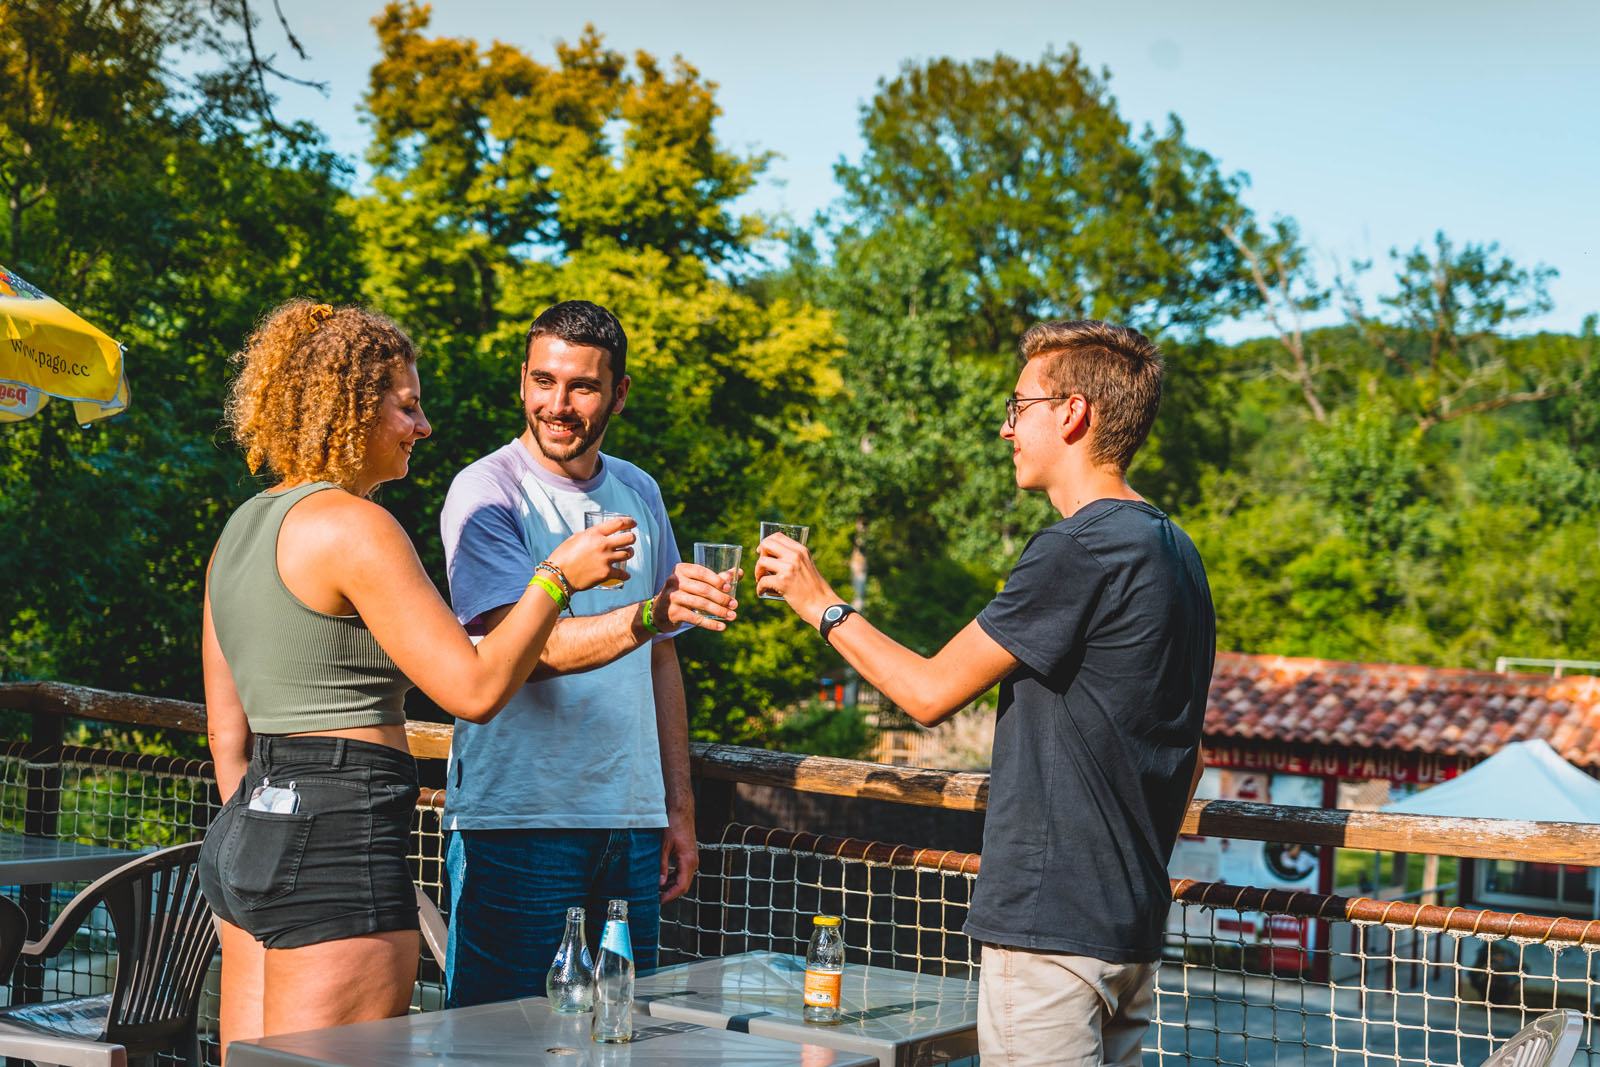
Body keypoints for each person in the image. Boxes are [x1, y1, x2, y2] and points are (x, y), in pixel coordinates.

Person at [757, 319, 1215, 1067]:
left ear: (1072, 413)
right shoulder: (1175, 550)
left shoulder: (1078, 546)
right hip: (1128, 928)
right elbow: (1192, 754)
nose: (1007, 429)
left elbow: (928, 691)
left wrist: (821, 605)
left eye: (1018, 406)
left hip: (1050, 930)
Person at [197, 300, 634, 1061]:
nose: (423, 426)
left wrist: (271, 833)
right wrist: (556, 578)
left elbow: (224, 733)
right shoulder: (356, 526)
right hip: (338, 842)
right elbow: (474, 689)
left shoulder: (242, 526)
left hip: (246, 835)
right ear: (351, 407)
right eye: (407, 406)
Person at [439, 299, 737, 1006]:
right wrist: (651, 613)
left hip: (632, 822)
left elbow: (662, 659)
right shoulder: (486, 491)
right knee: (498, 1041)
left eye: (582, 387)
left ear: (619, 393)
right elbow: (523, 652)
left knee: (623, 1033)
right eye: (543, 381)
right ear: (522, 381)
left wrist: (677, 808)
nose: (558, 404)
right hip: (519, 820)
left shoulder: (640, 489)